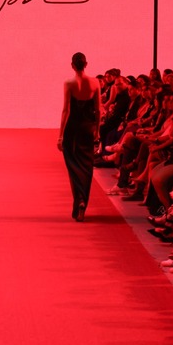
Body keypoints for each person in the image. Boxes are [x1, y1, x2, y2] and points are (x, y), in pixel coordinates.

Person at [58, 52, 101, 222]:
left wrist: (60, 135)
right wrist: (97, 130)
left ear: (72, 65)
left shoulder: (69, 83)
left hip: (72, 130)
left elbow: (66, 110)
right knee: (86, 167)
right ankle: (82, 201)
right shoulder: (95, 83)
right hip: (87, 129)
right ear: (86, 64)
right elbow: (98, 110)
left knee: (73, 167)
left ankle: (79, 201)